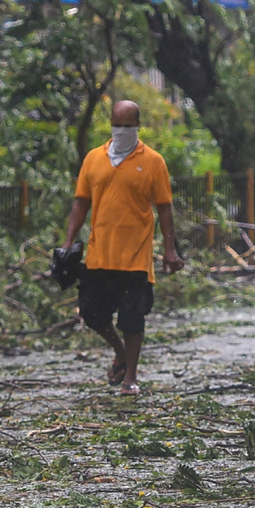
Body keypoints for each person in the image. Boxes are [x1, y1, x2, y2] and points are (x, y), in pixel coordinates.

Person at [61, 99, 184, 395]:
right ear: (110, 124)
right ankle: (119, 352)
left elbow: (164, 208)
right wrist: (67, 243)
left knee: (132, 317)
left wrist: (170, 249)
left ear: (138, 126)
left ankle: (130, 377)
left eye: (128, 126)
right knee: (91, 312)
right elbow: (81, 203)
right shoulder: (93, 159)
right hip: (99, 253)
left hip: (136, 256)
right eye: (118, 125)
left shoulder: (153, 161)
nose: (122, 130)